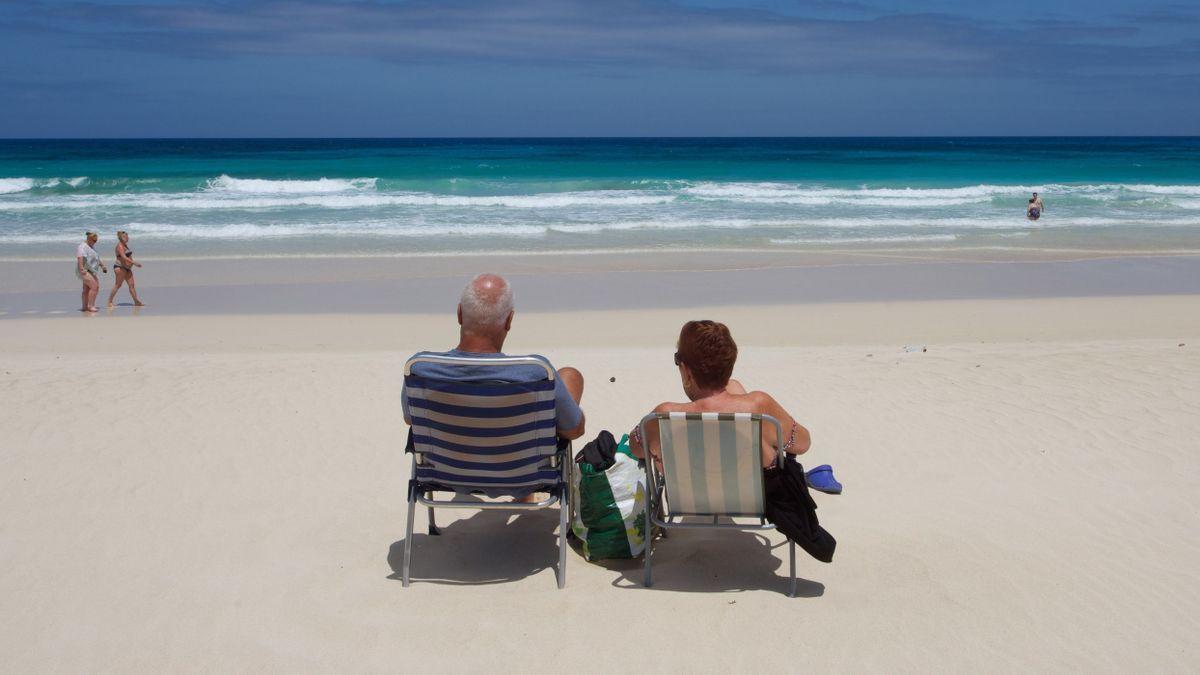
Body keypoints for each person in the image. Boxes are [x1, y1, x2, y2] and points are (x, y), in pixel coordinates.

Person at [401, 272, 586, 446]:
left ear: (459, 314)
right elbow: (574, 431)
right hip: (523, 477)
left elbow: (410, 418)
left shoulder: (421, 369)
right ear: (509, 321)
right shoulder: (536, 373)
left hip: (443, 476)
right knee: (570, 376)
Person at [628, 319, 810, 469]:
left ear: (686, 370)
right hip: (752, 500)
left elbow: (636, 448)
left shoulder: (663, 415)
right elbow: (802, 443)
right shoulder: (758, 405)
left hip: (689, 501)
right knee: (737, 392)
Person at [107, 230, 145, 308]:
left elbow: (128, 256)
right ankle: (110, 301)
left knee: (132, 285)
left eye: (127, 236)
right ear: (120, 238)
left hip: (127, 268)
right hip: (120, 267)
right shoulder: (119, 246)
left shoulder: (125, 245)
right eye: (124, 236)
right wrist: (134, 263)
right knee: (118, 285)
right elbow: (123, 257)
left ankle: (136, 301)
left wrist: (131, 264)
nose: (127, 237)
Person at [75, 232, 107, 313]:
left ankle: (85, 307)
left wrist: (102, 266)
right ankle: (91, 306)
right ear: (89, 239)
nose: (95, 242)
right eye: (94, 240)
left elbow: (96, 258)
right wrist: (82, 268)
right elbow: (80, 257)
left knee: (86, 289)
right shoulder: (82, 246)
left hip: (91, 270)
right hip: (84, 270)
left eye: (96, 241)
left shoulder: (91, 247)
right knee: (95, 287)